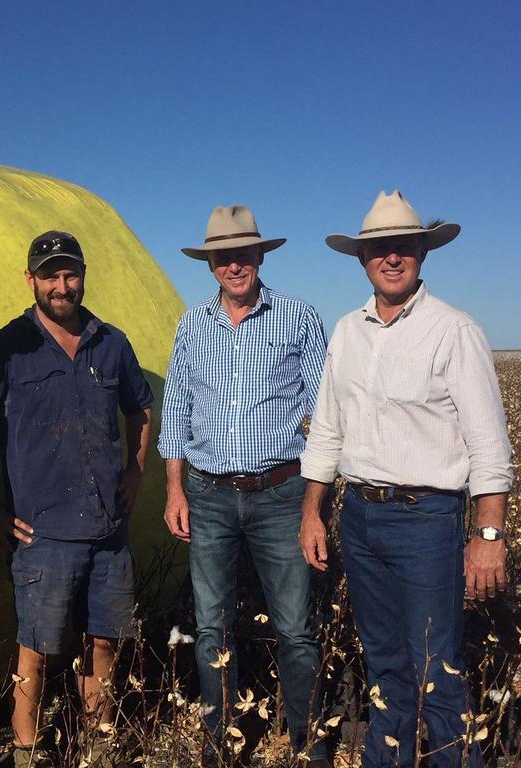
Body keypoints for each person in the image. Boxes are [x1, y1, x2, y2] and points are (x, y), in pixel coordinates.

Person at [299, 191, 513, 768]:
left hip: (428, 521)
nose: (391, 259)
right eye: (379, 250)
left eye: (403, 248)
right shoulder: (347, 332)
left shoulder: (453, 330)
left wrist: (488, 538)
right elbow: (328, 430)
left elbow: (489, 446)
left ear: (422, 253)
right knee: (384, 664)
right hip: (361, 519)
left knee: (434, 670)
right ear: (362, 259)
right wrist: (312, 511)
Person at [0, 231, 154, 767]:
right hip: (42, 533)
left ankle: (98, 751)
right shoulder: (7, 347)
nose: (61, 286)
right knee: (35, 652)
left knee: (103, 644)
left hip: (109, 529)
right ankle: (26, 754)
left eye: (70, 274)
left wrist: (136, 470)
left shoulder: (111, 343)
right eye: (50, 276)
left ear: (83, 275)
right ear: (31, 280)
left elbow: (140, 407)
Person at [158, 205, 329, 766]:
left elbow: (324, 414)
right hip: (207, 495)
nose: (235, 266)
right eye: (223, 257)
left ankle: (307, 745)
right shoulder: (193, 324)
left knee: (297, 628)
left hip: (282, 493)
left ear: (260, 257)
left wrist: (313, 504)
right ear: (211, 266)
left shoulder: (299, 318)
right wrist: (175, 491)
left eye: (244, 255)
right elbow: (176, 411)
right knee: (212, 626)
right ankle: (220, 745)